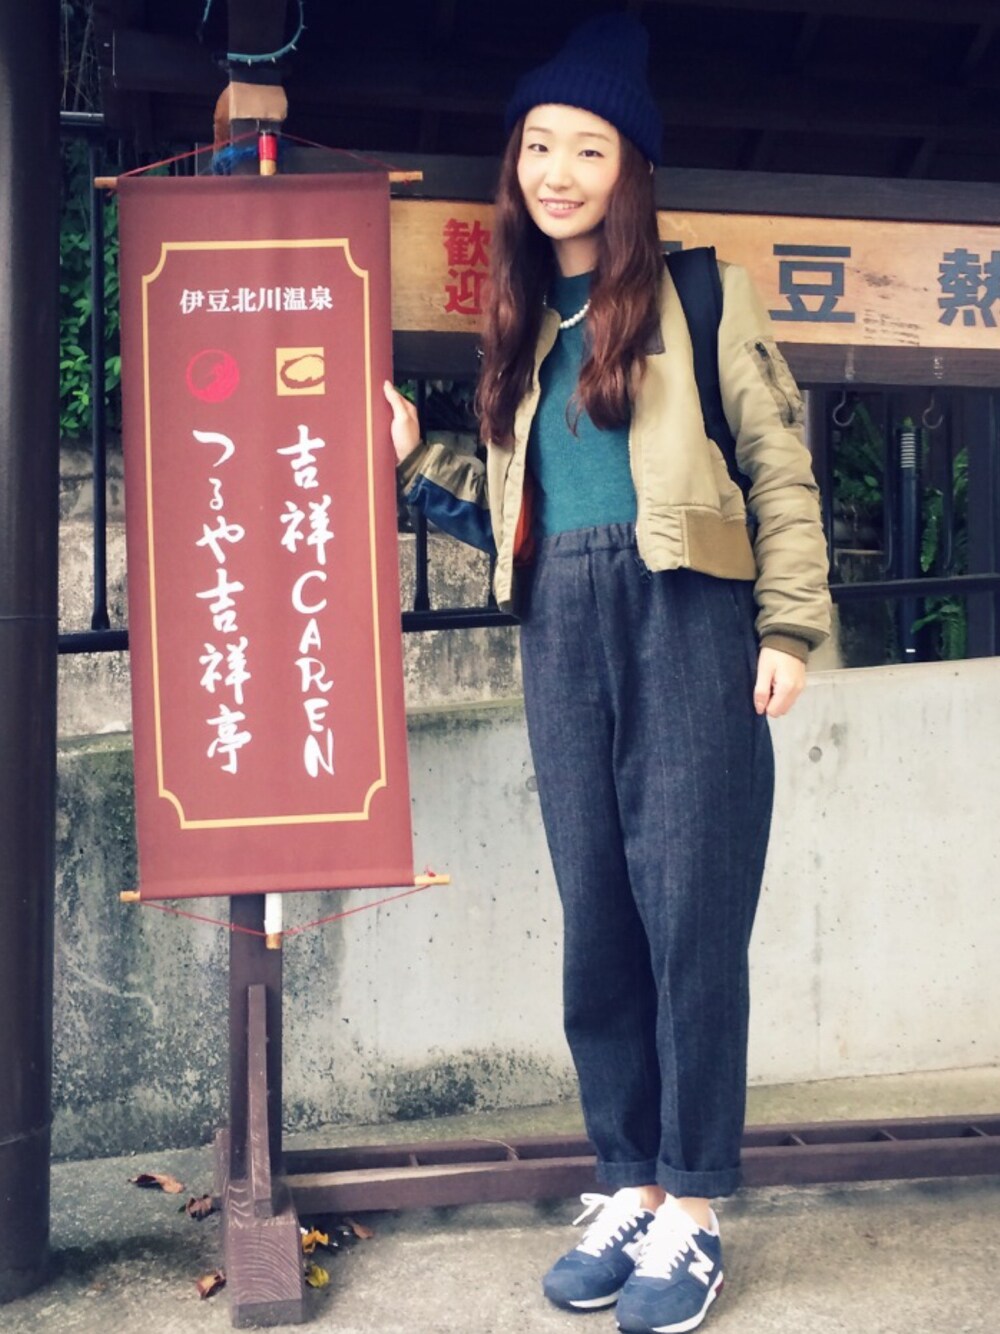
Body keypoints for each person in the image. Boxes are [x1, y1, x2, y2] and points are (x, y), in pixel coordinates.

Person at [384, 13, 831, 1332]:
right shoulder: (523, 320)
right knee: (601, 919)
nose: (559, 171)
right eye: (539, 145)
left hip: (687, 611)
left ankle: (694, 1209)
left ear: (630, 165)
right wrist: (413, 460)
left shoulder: (704, 293)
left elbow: (779, 464)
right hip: (561, 628)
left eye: (588, 147)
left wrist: (788, 629)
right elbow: (514, 514)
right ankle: (628, 1180)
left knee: (690, 916)